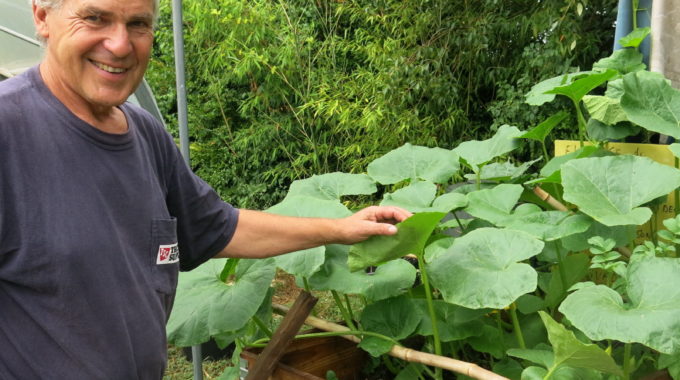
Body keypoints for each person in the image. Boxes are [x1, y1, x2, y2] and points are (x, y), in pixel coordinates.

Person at [0, 0, 411, 378]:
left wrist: (342, 228)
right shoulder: (9, 131)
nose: (120, 44)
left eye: (138, 24)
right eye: (95, 17)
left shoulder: (144, 134)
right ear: (41, 16)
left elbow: (218, 227)